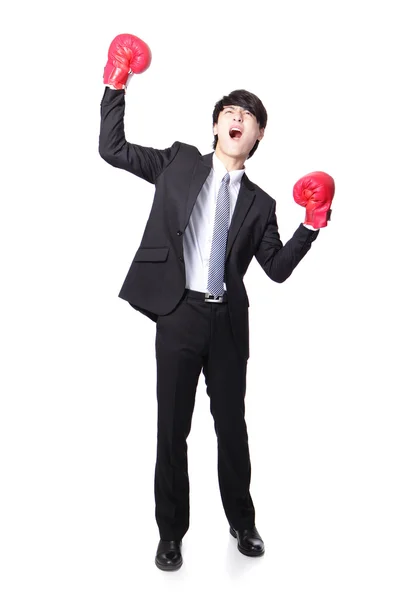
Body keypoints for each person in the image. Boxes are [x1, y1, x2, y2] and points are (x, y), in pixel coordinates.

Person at [98, 33, 335, 571]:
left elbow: (275, 270)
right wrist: (117, 82)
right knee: (171, 430)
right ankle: (170, 533)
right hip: (178, 313)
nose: (236, 119)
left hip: (228, 322)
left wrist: (312, 225)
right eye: (228, 112)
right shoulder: (178, 163)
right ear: (215, 126)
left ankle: (242, 522)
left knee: (233, 428)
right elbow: (112, 150)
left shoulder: (262, 203)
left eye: (246, 116)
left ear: (257, 135)